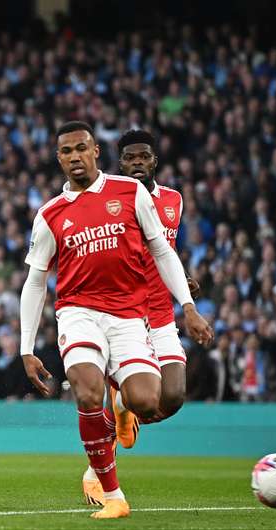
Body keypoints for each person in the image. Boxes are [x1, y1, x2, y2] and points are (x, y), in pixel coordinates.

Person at [19, 122, 213, 519]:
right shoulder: (50, 214)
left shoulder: (132, 193)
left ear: (95, 152)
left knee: (154, 399)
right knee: (87, 391)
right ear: (59, 159)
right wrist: (25, 347)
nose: (75, 157)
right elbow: (35, 281)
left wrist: (188, 305)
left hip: (131, 315)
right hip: (79, 314)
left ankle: (122, 407)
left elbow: (162, 250)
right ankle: (113, 495)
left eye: (82, 149)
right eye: (66, 151)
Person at [80, 129, 201, 505]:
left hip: (162, 312)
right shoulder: (111, 198)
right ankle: (100, 463)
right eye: (130, 158)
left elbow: (167, 250)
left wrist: (182, 284)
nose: (137, 163)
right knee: (144, 397)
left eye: (143, 157)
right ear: (119, 162)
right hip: (126, 312)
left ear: (154, 161)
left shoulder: (173, 201)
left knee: (175, 396)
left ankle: (119, 410)